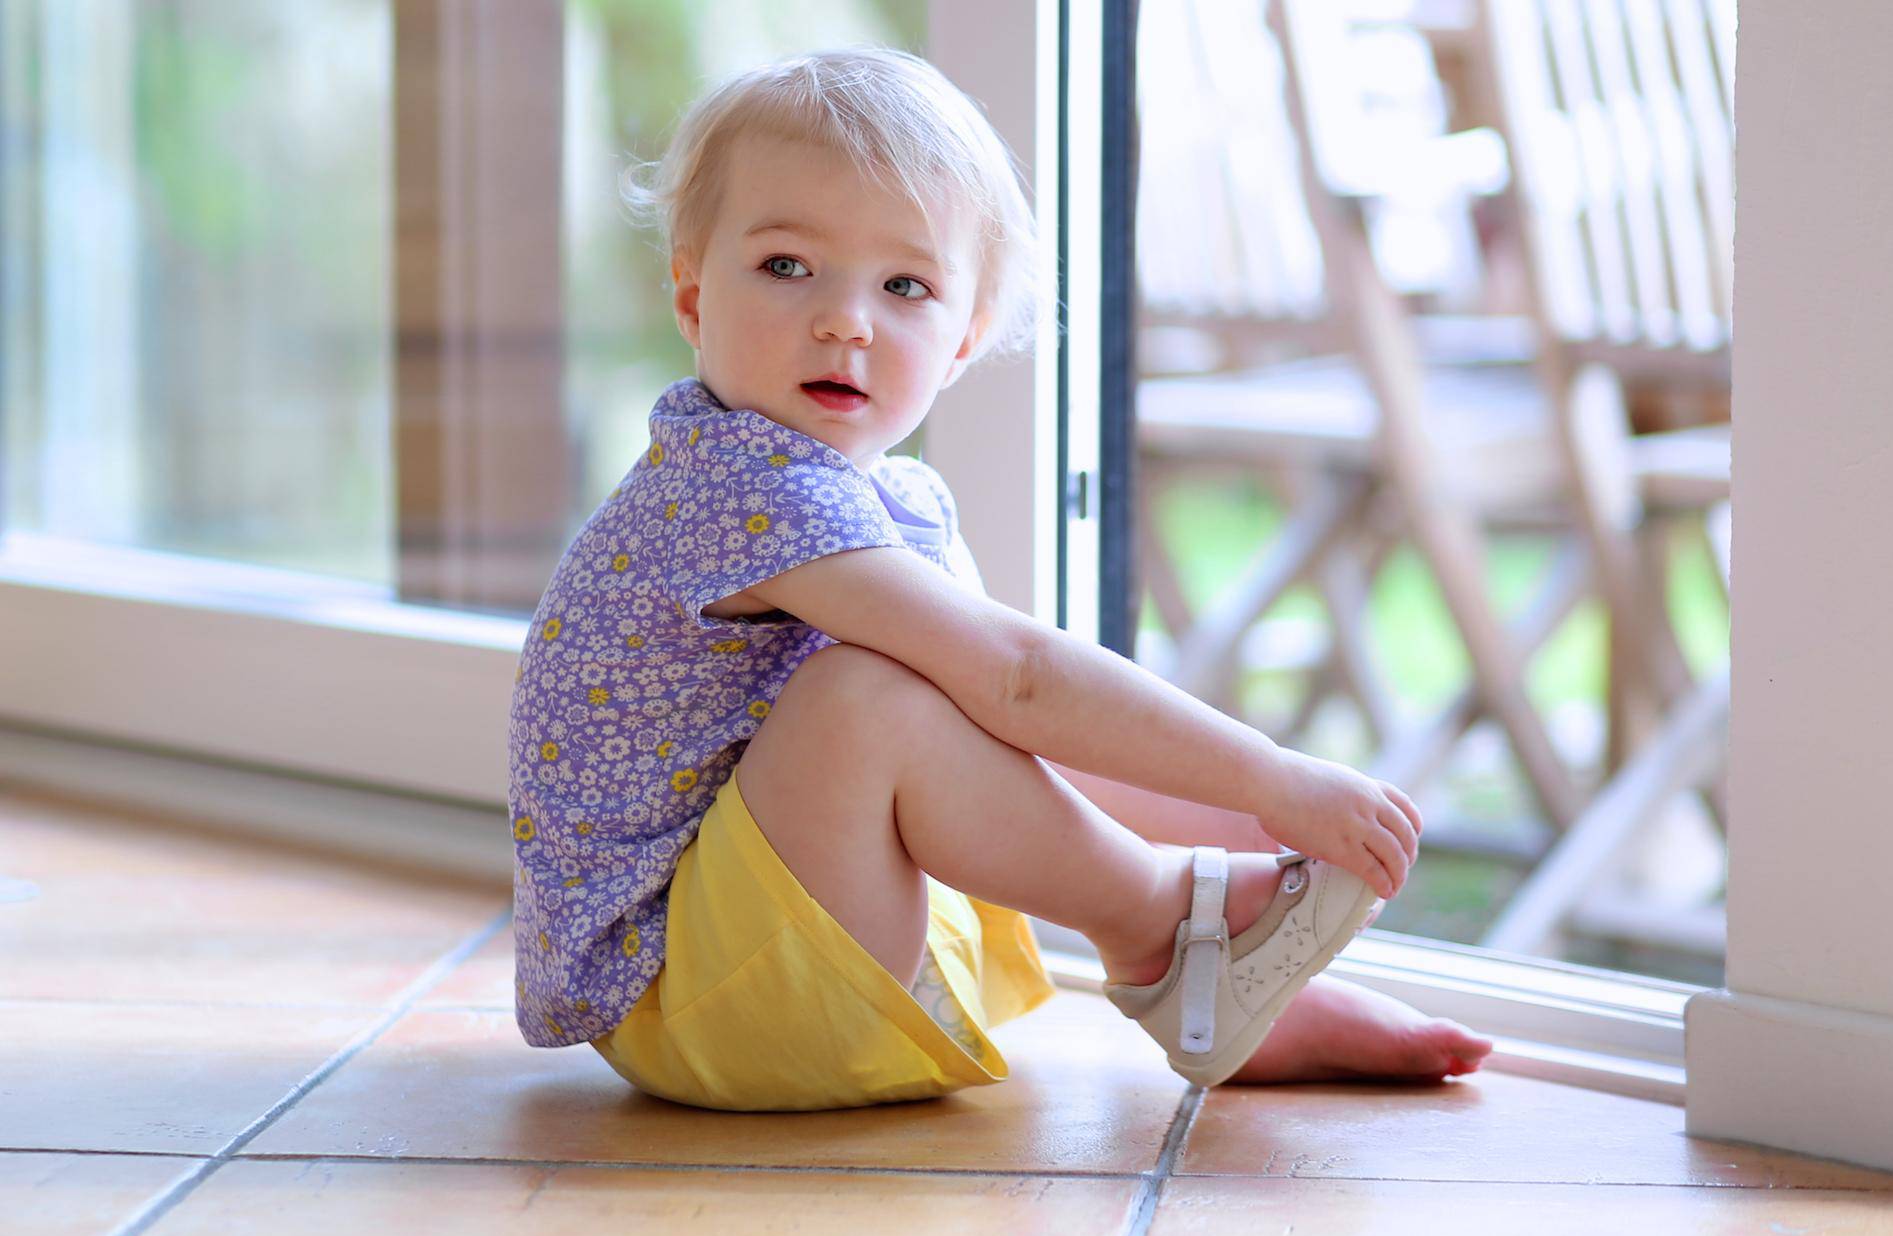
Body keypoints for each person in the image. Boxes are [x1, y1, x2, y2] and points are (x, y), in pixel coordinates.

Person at [506, 46, 1494, 1111]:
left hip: (768, 951)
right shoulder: (739, 486)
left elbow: (1010, 722)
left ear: (965, 339)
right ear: (695, 300)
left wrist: (1226, 812)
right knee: (873, 695)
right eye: (787, 266)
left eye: (905, 285)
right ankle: (1170, 927)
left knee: (924, 687)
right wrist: (1266, 780)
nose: (847, 318)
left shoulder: (888, 504)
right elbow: (1018, 676)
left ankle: (1216, 981)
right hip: (693, 994)